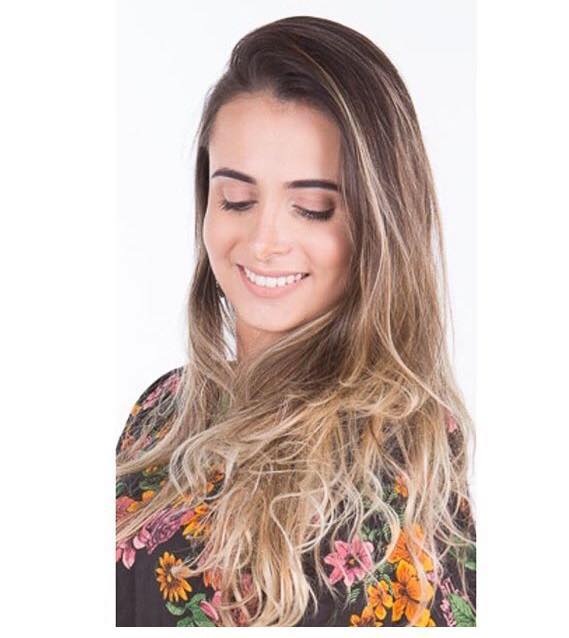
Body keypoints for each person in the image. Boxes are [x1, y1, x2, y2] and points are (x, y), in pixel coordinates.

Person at [116, 15, 476, 627]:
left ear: (378, 225)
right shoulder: (161, 410)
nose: (264, 242)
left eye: (311, 208)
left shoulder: (395, 460)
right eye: (237, 199)